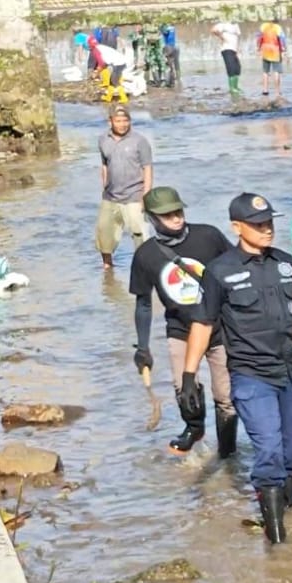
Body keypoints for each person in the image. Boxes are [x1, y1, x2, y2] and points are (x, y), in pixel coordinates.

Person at [183, 193, 292, 544]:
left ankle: (285, 508)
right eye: (258, 225)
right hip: (251, 375)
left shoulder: (287, 264)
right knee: (269, 448)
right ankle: (276, 537)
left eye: (269, 222)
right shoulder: (220, 271)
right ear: (237, 227)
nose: (267, 229)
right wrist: (188, 376)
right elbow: (202, 324)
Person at [129, 187, 236, 456]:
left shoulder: (208, 236)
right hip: (180, 331)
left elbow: (237, 269)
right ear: (152, 218)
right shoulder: (146, 255)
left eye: (179, 211)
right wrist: (143, 347)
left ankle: (227, 452)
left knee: (226, 396)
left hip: (219, 328)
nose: (177, 218)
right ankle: (195, 426)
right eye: (168, 215)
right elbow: (143, 303)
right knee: (183, 389)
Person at [95, 104, 152, 270]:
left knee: (140, 235)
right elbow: (105, 164)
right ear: (110, 121)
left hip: (134, 195)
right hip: (111, 196)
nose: (122, 124)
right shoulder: (103, 139)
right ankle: (108, 269)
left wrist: (145, 194)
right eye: (118, 121)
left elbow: (147, 168)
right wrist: (104, 185)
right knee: (104, 234)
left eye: (125, 120)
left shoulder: (140, 141)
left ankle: (145, 268)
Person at [211, 19, 242, 96]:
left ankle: (236, 86)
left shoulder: (236, 26)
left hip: (234, 49)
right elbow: (213, 30)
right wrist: (221, 37)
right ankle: (232, 88)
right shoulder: (223, 25)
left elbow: (237, 38)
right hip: (227, 49)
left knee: (237, 68)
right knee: (231, 68)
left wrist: (238, 50)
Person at [257, 21, 285, 97]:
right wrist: (283, 49)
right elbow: (282, 39)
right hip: (275, 50)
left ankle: (265, 90)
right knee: (276, 71)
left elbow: (259, 38)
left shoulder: (263, 26)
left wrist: (258, 48)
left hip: (265, 49)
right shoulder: (278, 28)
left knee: (265, 72)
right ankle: (277, 92)